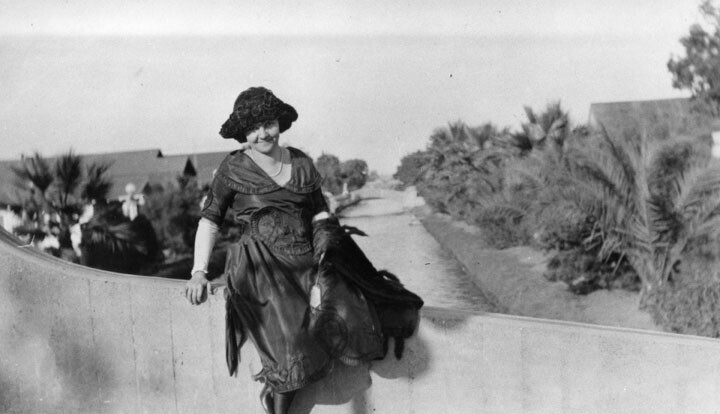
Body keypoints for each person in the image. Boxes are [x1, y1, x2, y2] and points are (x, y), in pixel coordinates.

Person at [184, 87, 423, 414]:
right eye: (253, 128)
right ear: (243, 134)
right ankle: (277, 404)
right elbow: (210, 221)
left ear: (279, 123)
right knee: (292, 339)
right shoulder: (232, 168)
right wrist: (199, 272)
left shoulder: (301, 163)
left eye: (268, 123)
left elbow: (321, 212)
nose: (262, 134)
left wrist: (326, 243)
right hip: (258, 266)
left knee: (351, 311)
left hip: (305, 257)